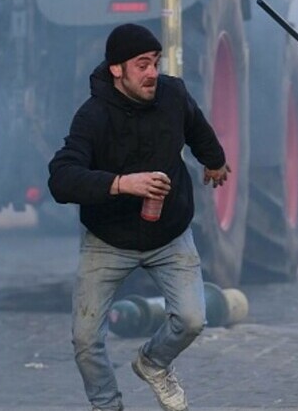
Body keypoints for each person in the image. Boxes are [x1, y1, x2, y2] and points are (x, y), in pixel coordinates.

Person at [48, 23, 230, 411]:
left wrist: (214, 161)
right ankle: (107, 404)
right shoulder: (92, 116)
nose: (152, 73)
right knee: (85, 339)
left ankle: (153, 363)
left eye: (155, 63)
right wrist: (121, 184)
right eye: (142, 65)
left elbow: (197, 129)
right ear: (117, 69)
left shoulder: (173, 94)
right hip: (108, 240)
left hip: (170, 234)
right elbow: (61, 179)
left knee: (193, 320)